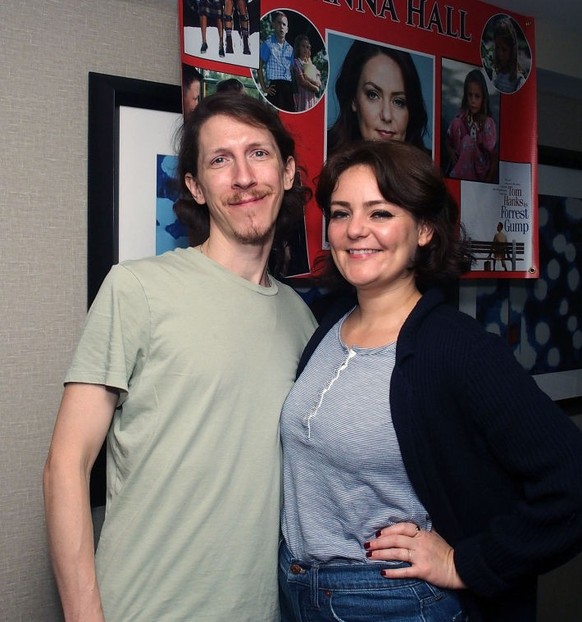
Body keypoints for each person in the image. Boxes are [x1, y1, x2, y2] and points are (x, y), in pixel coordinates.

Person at [278, 140, 582, 621]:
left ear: (422, 230)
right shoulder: (326, 323)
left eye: (380, 213)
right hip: (298, 591)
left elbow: (572, 479)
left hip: (390, 601)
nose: (355, 230)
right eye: (340, 213)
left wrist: (467, 563)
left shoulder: (454, 346)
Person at [43, 92, 318, 622]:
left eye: (258, 154)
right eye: (220, 160)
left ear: (286, 172)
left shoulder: (301, 321)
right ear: (195, 185)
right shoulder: (137, 289)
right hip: (142, 608)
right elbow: (64, 466)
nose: (243, 177)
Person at [327, 40, 428, 156]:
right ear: (353, 99)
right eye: (373, 95)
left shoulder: (427, 168)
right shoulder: (323, 157)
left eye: (399, 102)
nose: (386, 115)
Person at [446, 69, 498, 182]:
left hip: (480, 167)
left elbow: (493, 155)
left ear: (483, 98)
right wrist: (450, 151)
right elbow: (448, 141)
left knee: (468, 140)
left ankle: (457, 176)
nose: (473, 100)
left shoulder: (488, 122)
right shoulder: (462, 117)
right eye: (470, 95)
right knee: (456, 123)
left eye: (477, 96)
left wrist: (488, 181)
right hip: (463, 159)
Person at [258, 11, 295, 113]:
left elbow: (292, 70)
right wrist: (265, 88)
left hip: (288, 88)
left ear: (287, 29)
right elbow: (259, 66)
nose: (281, 27)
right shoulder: (268, 45)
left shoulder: (290, 48)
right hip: (275, 87)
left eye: (284, 24)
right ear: (273, 25)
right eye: (278, 23)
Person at [492, 16, 526, 93]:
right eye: (497, 48)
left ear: (512, 50)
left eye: (504, 50)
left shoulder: (519, 80)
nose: (500, 54)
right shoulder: (496, 74)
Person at [292, 34, 322, 112]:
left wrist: (308, 78)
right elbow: (302, 82)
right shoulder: (296, 62)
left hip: (312, 101)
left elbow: (319, 83)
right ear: (298, 47)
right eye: (303, 46)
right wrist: (315, 88)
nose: (305, 49)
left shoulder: (313, 67)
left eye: (307, 47)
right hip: (302, 100)